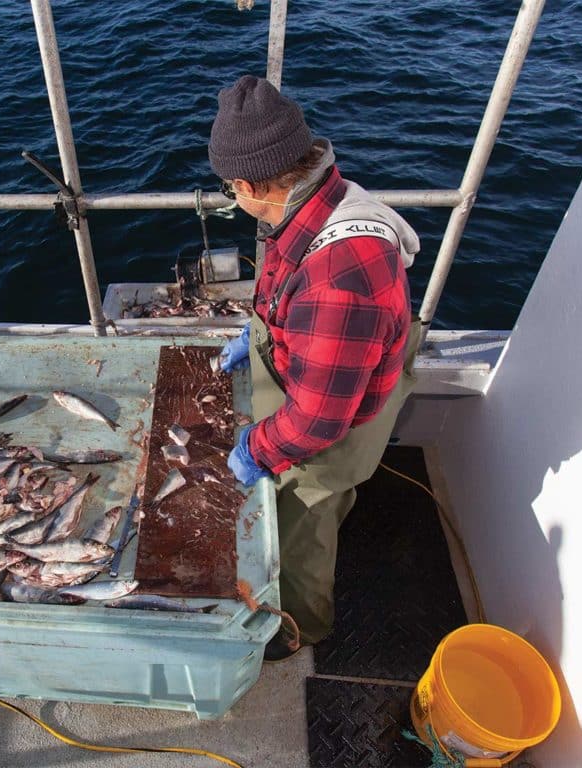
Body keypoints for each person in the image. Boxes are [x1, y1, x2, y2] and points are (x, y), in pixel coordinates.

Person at [209, 75, 422, 661]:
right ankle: (335, 510)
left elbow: (319, 421)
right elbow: (287, 285)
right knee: (328, 502)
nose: (234, 197)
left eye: (233, 189)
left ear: (253, 184)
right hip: (347, 381)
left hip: (333, 422)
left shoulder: (339, 276)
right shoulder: (322, 196)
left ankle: (301, 626)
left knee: (303, 527)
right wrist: (251, 339)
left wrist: (256, 449)